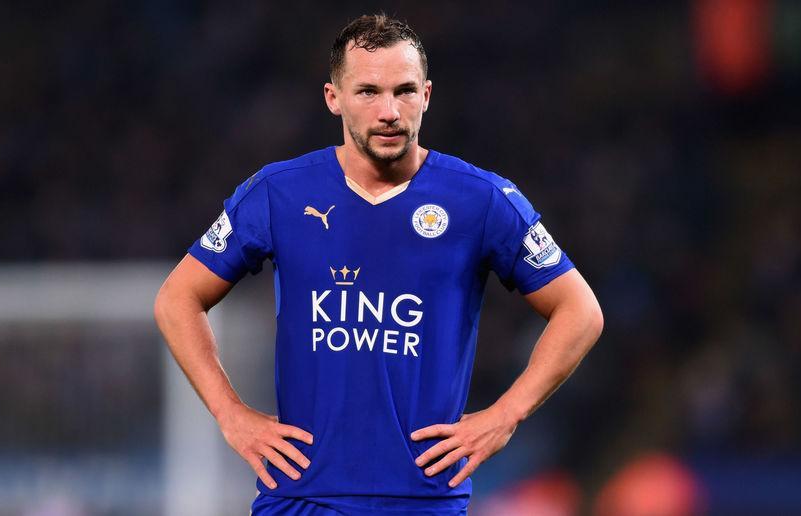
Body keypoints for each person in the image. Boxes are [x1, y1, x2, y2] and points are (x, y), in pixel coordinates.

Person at [154, 13, 603, 516]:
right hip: (301, 497)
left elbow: (580, 311)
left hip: (423, 499)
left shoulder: (482, 199)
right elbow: (178, 298)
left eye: (404, 91)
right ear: (333, 98)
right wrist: (230, 413)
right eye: (368, 91)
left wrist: (506, 415)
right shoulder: (278, 193)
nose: (389, 111)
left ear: (427, 96)